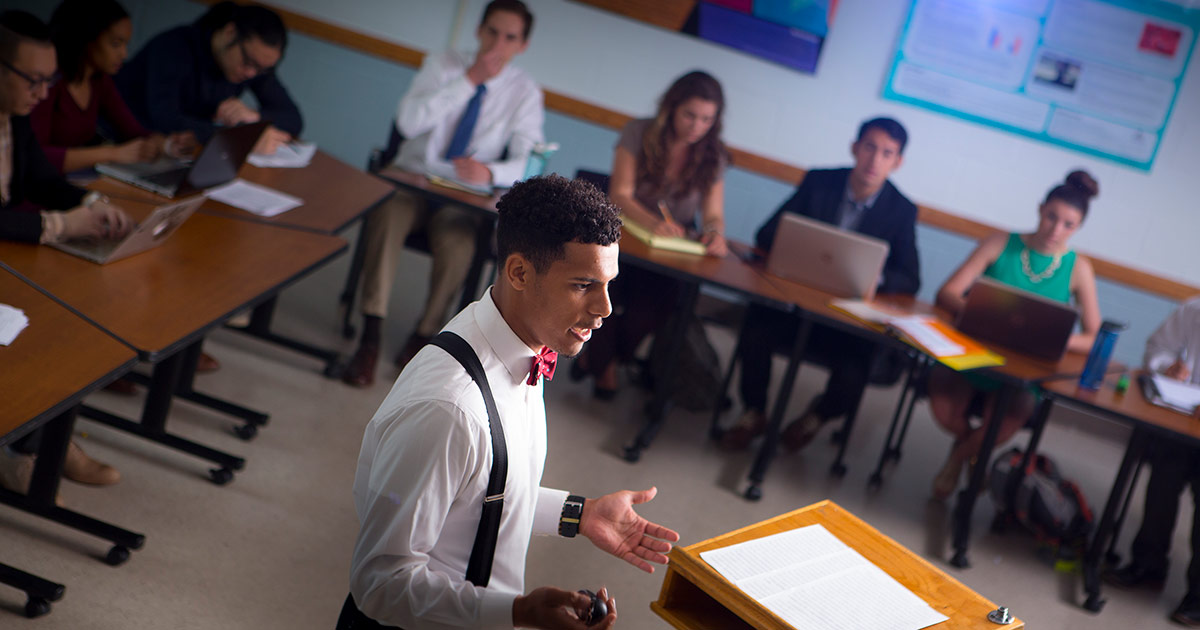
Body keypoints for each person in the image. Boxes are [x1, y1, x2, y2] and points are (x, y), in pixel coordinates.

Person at [341, 174, 679, 628]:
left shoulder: (519, 337)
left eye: (608, 284)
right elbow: (380, 584)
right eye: (583, 285)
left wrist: (580, 513)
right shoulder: (449, 409)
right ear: (519, 272)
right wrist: (519, 612)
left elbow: (477, 488)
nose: (605, 309)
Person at [342, 0, 545, 388]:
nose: (497, 44)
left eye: (509, 37)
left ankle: (425, 334)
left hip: (464, 197)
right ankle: (371, 331)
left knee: (460, 245)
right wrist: (467, 80)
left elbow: (529, 160)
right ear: (478, 31)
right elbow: (407, 121)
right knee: (387, 215)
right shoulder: (443, 64)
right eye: (491, 32)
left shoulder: (525, 92)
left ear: (523, 45)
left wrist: (491, 171)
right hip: (413, 179)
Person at [720, 117, 920, 451]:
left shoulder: (901, 210)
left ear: (897, 162)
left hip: (846, 319)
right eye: (869, 147)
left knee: (859, 361)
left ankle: (818, 416)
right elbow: (766, 235)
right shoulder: (820, 182)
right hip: (795, 304)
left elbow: (911, 278)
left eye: (887, 153)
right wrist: (798, 247)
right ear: (855, 148)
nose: (875, 160)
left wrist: (876, 277)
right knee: (756, 326)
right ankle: (754, 412)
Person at [0, 10, 132, 492]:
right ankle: (28, 445)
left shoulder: (13, 118)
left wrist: (90, 202)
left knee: (78, 305)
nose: (41, 93)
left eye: (48, 80)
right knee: (40, 322)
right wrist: (59, 224)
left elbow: (38, 179)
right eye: (33, 80)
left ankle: (44, 437)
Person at [927, 170, 1101, 500]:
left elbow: (1095, 336)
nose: (1056, 229)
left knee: (1003, 421)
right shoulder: (1000, 243)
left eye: (1068, 224)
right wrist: (978, 312)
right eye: (1051, 217)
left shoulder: (1079, 268)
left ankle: (957, 459)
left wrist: (1059, 338)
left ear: (1078, 228)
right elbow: (947, 292)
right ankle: (973, 455)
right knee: (945, 410)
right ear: (1039, 210)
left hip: (1025, 367)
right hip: (972, 352)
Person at [574, 70, 728, 399]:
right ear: (671, 107)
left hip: (667, 252)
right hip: (622, 238)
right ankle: (605, 366)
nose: (696, 126)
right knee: (607, 293)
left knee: (658, 306)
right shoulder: (639, 131)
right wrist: (651, 221)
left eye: (706, 119)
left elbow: (713, 213)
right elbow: (621, 194)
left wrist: (715, 232)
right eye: (689, 115)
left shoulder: (713, 154)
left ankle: (601, 359)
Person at [1104, 297, 1200, 626]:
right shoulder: (1194, 309)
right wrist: (1167, 366)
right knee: (1163, 477)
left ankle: (1198, 596)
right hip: (1182, 417)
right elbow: (1158, 348)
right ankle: (1148, 563)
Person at [114, 1, 300, 156]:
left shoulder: (254, 66)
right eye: (249, 62)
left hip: (177, 152)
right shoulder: (174, 47)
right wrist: (242, 139)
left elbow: (294, 119)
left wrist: (255, 117)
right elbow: (166, 120)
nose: (251, 73)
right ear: (230, 32)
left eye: (262, 69)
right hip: (123, 143)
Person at [31, 0, 196, 174]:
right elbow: (36, 155)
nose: (124, 54)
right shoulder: (47, 83)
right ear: (88, 38)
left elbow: (131, 130)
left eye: (125, 44)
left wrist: (168, 145)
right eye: (116, 44)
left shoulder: (99, 80)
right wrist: (112, 153)